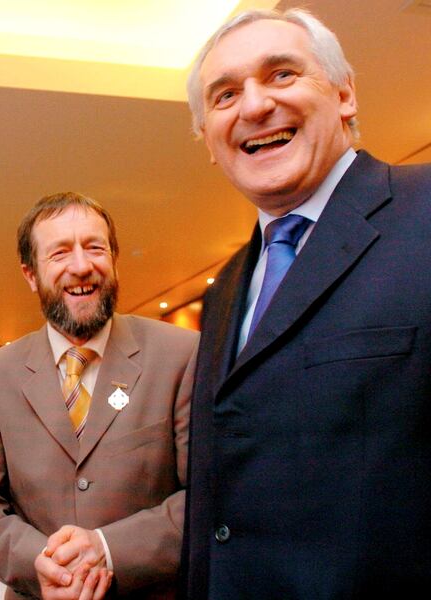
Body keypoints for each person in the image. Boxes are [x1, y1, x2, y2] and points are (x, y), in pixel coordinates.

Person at [182, 8, 431, 599]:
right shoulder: (225, 289)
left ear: (345, 95)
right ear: (209, 141)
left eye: (282, 74)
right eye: (225, 95)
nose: (254, 106)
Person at [0, 192, 198, 599]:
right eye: (60, 253)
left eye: (95, 248)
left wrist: (108, 550)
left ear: (114, 260)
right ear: (31, 274)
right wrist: (41, 563)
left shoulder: (181, 356)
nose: (81, 267)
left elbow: (208, 496)